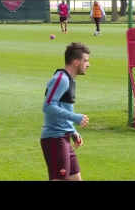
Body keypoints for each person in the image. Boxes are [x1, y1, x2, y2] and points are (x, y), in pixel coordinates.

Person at [40, 42, 90, 181]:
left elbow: (60, 108)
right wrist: (75, 117)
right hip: (55, 139)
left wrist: (71, 130)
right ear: (76, 62)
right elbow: (48, 106)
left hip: (63, 137)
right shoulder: (61, 79)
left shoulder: (69, 80)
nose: (88, 64)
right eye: (85, 61)